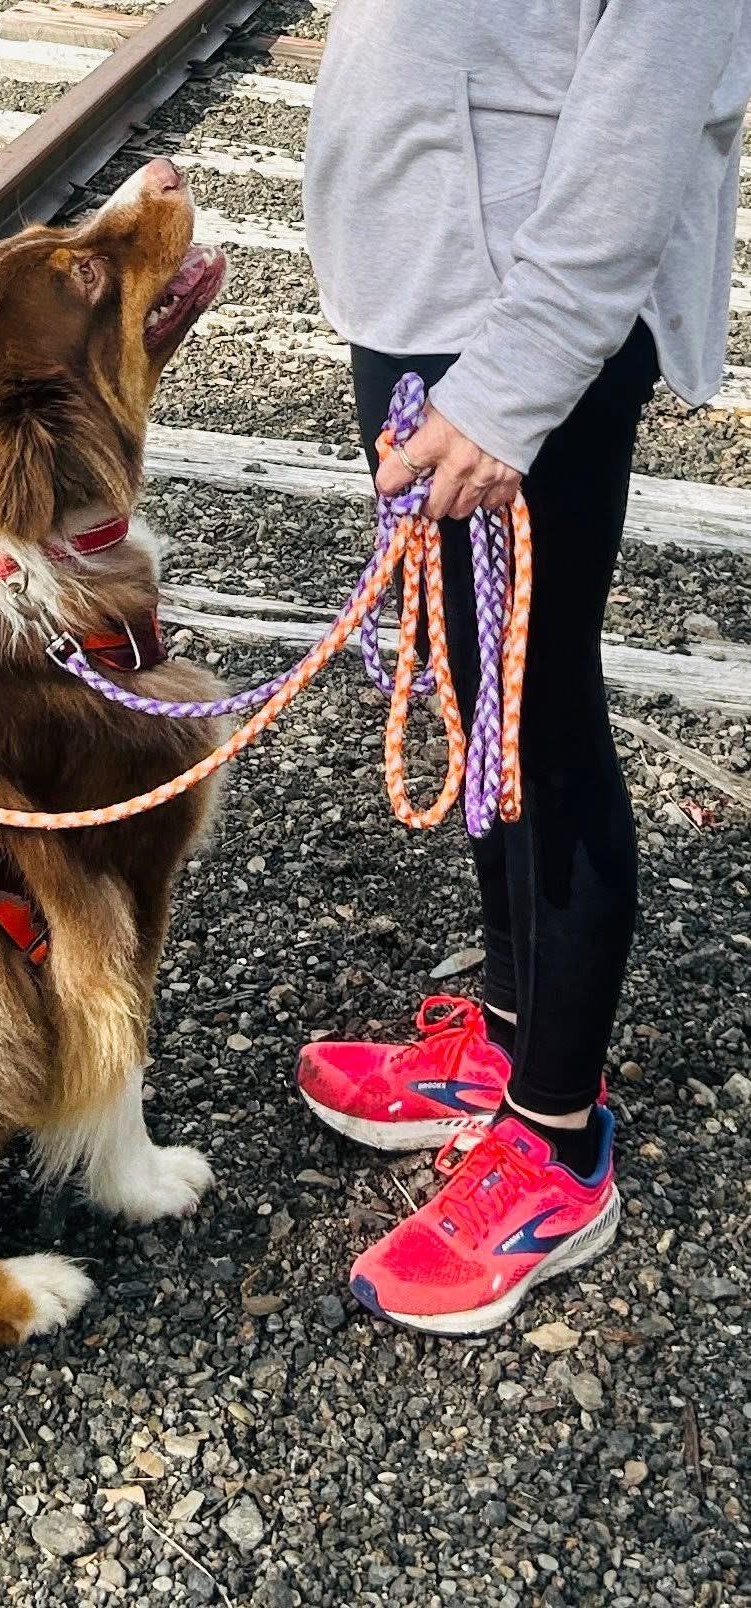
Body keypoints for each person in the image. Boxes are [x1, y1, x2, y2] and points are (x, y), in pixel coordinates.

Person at [293, 2, 751, 1334]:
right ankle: (504, 1040)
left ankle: (557, 1142)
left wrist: (517, 381)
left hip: (513, 328)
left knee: (541, 724)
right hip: (430, 288)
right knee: (483, 704)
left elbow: (647, 102)